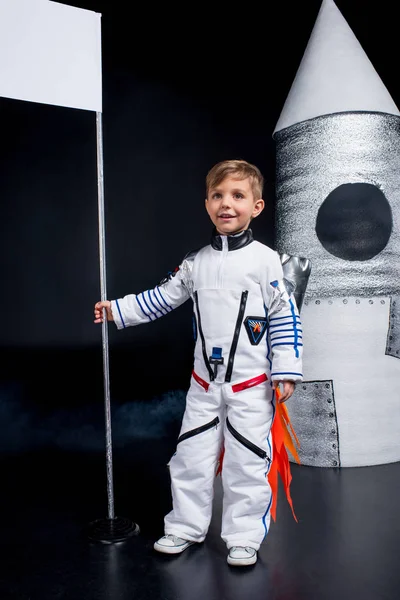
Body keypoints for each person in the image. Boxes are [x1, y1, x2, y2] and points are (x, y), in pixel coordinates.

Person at [94, 159, 303, 567]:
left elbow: (285, 316)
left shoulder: (266, 261)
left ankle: (244, 535)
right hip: (204, 386)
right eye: (218, 195)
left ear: (256, 206)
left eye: (238, 196)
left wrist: (286, 370)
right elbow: (161, 298)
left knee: (248, 461)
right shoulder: (195, 263)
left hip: (250, 386)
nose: (227, 204)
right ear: (207, 203)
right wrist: (116, 310)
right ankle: (185, 527)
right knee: (191, 458)